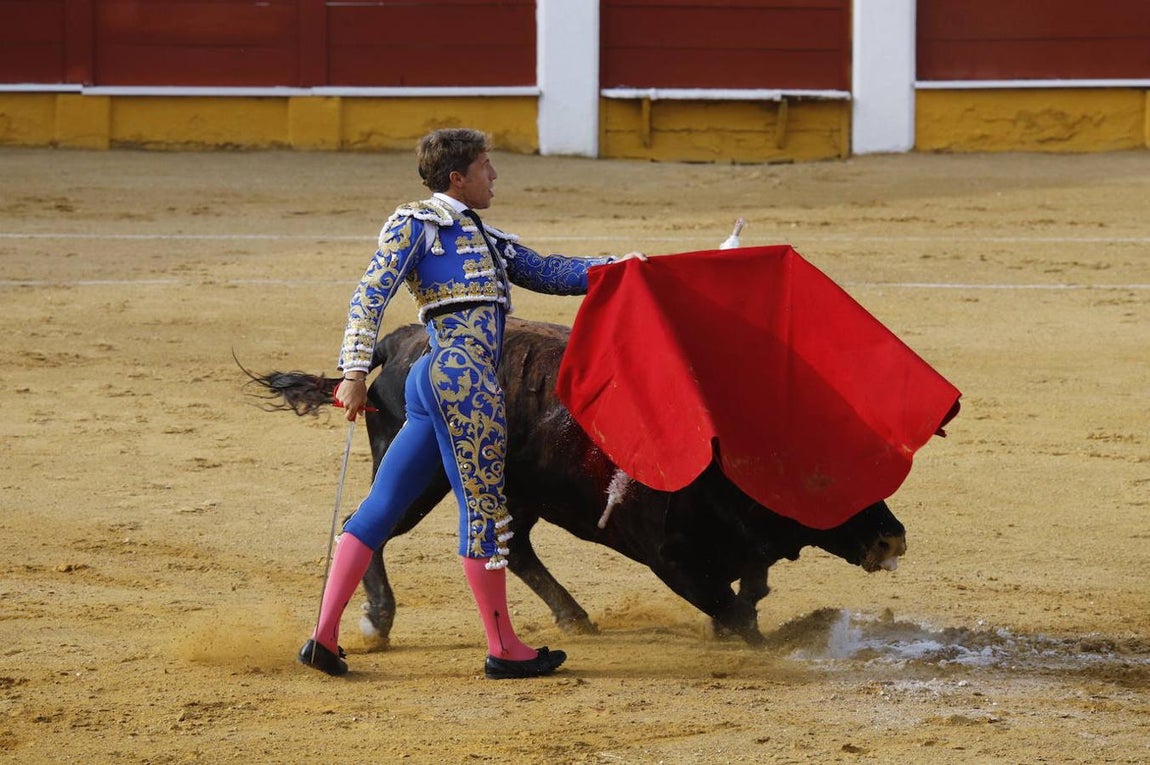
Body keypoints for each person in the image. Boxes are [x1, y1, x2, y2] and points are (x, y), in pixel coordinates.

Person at [298, 128, 646, 679]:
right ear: (458, 177)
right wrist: (354, 372)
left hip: (433, 378)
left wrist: (616, 267)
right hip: (464, 379)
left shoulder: (483, 235)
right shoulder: (417, 222)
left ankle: (323, 636)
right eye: (486, 166)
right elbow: (370, 293)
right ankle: (504, 649)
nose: (494, 175)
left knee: (385, 504)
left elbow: (546, 271)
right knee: (483, 510)